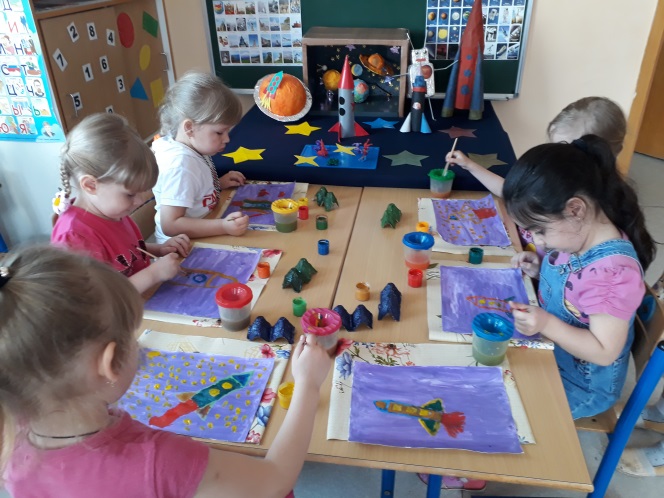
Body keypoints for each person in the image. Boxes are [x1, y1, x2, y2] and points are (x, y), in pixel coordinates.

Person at [0, 245, 333, 497]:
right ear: (109, 363)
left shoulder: (9, 441)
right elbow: (274, 481)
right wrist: (307, 383)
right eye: (132, 337)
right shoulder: (160, 461)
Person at [503, 135, 656, 419]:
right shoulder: (577, 235)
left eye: (539, 230)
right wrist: (539, 269)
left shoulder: (612, 274)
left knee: (506, 412)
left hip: (581, 387)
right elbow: (571, 290)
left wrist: (545, 323)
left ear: (575, 209)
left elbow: (604, 351)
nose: (537, 241)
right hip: (553, 354)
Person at [51, 113, 191, 294]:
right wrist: (153, 274)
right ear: (91, 185)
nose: (139, 201)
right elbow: (99, 299)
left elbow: (123, 252)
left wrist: (159, 249)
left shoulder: (109, 210)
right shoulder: (74, 237)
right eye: (130, 194)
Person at [446, 96, 627, 198]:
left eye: (568, 153)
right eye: (554, 147)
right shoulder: (552, 173)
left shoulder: (600, 203)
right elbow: (511, 192)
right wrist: (469, 165)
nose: (556, 158)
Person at [152, 71, 249, 243]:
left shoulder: (192, 146)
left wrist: (217, 184)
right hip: (181, 245)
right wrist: (223, 226)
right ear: (189, 128)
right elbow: (171, 224)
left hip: (204, 223)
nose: (227, 139)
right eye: (219, 132)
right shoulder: (180, 166)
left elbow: (192, 189)